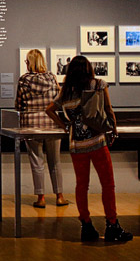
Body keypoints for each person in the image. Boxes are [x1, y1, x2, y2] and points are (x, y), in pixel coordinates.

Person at [46, 55, 133, 242]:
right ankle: (112, 226)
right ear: (88, 68)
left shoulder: (66, 91)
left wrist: (64, 125)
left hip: (76, 145)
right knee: (108, 184)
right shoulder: (99, 84)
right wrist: (113, 129)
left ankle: (86, 225)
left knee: (81, 186)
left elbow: (49, 109)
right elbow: (109, 109)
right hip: (97, 142)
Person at [15, 49, 68, 208]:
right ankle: (59, 196)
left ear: (29, 62)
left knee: (36, 161)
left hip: (31, 125)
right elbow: (59, 99)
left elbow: (19, 104)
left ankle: (41, 198)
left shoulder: (24, 80)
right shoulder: (52, 78)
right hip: (51, 124)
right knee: (55, 161)